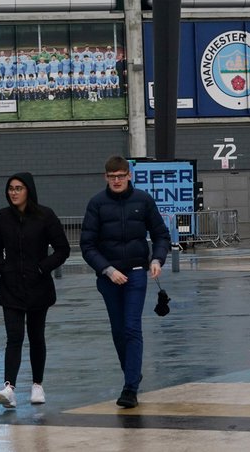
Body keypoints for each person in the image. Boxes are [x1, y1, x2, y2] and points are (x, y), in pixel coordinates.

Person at [80, 156, 170, 409]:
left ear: (129, 175)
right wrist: (107, 270)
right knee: (119, 331)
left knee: (131, 328)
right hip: (109, 278)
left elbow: (161, 234)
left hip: (137, 273)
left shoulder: (143, 200)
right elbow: (87, 245)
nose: (117, 180)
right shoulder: (96, 204)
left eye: (121, 175)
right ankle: (133, 372)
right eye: (112, 176)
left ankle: (130, 387)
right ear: (105, 177)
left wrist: (157, 259)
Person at [0, 172, 70, 409]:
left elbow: (62, 249)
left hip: (38, 287)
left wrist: (42, 268)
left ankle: (37, 385)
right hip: (11, 287)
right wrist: (2, 268)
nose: (13, 192)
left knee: (36, 337)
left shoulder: (45, 215)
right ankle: (9, 388)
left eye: (18, 188)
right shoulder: (2, 217)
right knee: (14, 337)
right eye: (11, 188)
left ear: (29, 191)